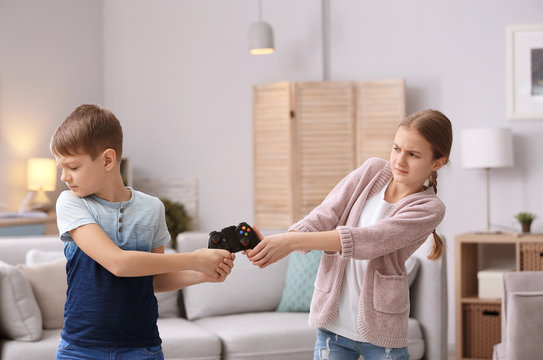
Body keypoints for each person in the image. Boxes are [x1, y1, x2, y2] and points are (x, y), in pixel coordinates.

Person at [247, 109, 453, 360]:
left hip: (383, 335)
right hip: (332, 328)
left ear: (437, 162)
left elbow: (369, 240)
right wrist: (282, 241)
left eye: (413, 154)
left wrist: (289, 241)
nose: (399, 161)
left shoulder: (429, 208)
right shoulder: (372, 171)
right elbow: (326, 213)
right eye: (396, 148)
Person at [50, 104, 235, 360]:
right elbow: (118, 263)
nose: (64, 177)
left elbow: (154, 279)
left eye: (72, 167)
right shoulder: (71, 203)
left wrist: (201, 274)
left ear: (107, 160)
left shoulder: (152, 208)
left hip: (142, 348)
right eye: (61, 167)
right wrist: (194, 259)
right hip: (81, 348)